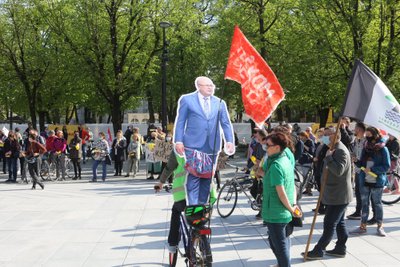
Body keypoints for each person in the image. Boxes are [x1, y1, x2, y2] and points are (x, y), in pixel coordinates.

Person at [174, 76, 235, 205]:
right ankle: (194, 205)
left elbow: (226, 123)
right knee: (195, 175)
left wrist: (229, 141)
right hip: (192, 145)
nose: (210, 87)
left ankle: (202, 205)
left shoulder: (220, 102)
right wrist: (178, 141)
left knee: (207, 177)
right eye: (207, 85)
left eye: (212, 85)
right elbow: (180, 122)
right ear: (199, 86)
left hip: (212, 145)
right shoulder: (187, 100)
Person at [303, 128, 353, 260]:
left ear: (334, 136)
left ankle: (319, 250)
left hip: (339, 195)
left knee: (329, 223)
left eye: (326, 135)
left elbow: (338, 170)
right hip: (334, 193)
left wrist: (329, 158)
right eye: (323, 135)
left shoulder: (340, 150)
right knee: (339, 222)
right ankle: (340, 248)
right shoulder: (331, 148)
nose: (323, 138)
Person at [262, 133, 299, 267]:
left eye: (268, 145)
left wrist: (291, 209)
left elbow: (281, 192)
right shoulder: (285, 160)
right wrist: (293, 206)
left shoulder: (277, 165)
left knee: (280, 246)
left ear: (277, 147)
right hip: (281, 211)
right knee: (277, 242)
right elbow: (293, 185)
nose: (266, 148)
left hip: (276, 213)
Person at [350, 126, 390, 236]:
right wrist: (356, 161)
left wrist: (372, 169)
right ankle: (362, 226)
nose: (367, 138)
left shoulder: (383, 148)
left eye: (369, 136)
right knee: (364, 203)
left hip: (377, 180)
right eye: (366, 136)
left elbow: (386, 166)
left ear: (375, 136)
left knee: (377, 203)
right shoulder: (365, 147)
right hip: (365, 179)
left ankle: (380, 226)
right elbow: (362, 164)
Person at [347, 122, 367, 220]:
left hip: (364, 170)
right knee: (358, 192)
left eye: (355, 129)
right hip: (357, 170)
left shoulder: (366, 141)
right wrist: (352, 155)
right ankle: (358, 211)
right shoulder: (356, 141)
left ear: (359, 130)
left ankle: (363, 212)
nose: (354, 130)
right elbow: (354, 152)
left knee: (364, 193)